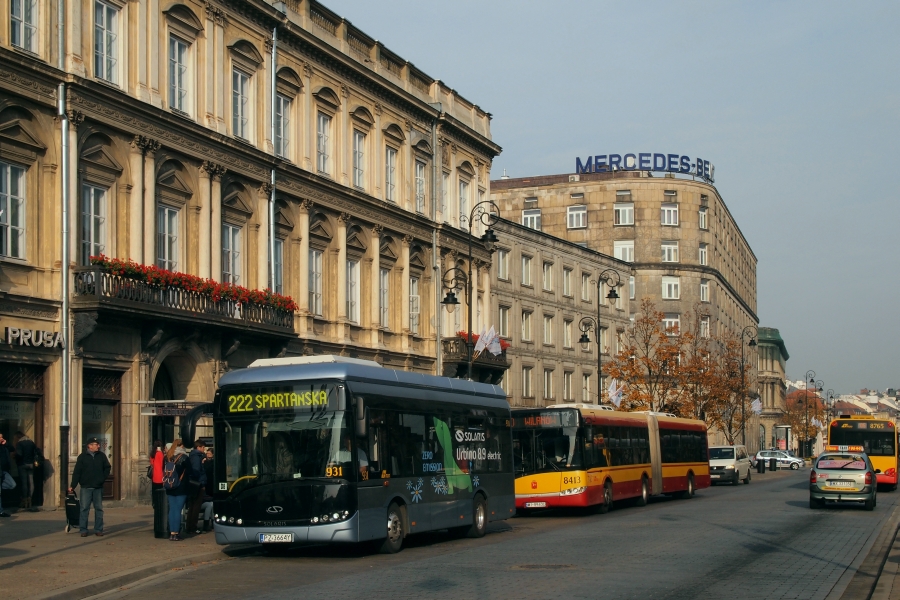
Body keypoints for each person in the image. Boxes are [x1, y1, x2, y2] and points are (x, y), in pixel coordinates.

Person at [69, 437, 111, 537]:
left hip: (98, 487)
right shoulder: (82, 457)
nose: (98, 446)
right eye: (96, 444)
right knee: (84, 508)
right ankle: (83, 529)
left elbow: (107, 467)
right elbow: (77, 472)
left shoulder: (101, 456)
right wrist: (73, 485)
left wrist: (102, 478)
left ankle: (98, 529)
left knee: (99, 509)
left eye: (98, 444)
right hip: (86, 487)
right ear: (90, 446)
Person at [165, 439, 190, 541]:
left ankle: (171, 533)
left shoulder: (168, 457)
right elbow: (191, 471)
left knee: (172, 509)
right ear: (182, 446)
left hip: (170, 486)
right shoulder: (184, 457)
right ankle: (176, 533)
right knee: (178, 510)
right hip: (181, 486)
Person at [186, 440, 207, 534]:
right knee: (195, 507)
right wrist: (200, 482)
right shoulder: (196, 457)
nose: (204, 449)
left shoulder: (194, 456)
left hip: (195, 483)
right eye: (203, 447)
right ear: (198, 447)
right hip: (198, 484)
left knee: (193, 506)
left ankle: (190, 526)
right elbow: (196, 470)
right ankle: (192, 527)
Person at [0, 433, 12, 517]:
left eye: (1, 437)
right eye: (0, 437)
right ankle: (1, 511)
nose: (1, 438)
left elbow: (12, 448)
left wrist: (6, 444)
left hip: (3, 471)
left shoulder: (3, 446)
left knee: (12, 484)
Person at [149, 440, 164, 506]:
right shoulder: (160, 454)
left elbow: (151, 463)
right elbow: (162, 464)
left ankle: (154, 503)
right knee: (160, 492)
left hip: (154, 476)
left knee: (154, 491)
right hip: (160, 476)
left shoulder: (153, 454)